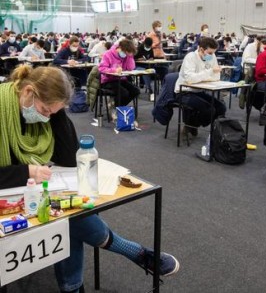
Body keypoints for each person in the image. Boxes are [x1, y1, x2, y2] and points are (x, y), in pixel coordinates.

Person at [0, 64, 179, 293]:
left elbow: (68, 157)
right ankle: (135, 253)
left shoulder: (43, 113)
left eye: (52, 114)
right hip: (9, 196)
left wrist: (56, 113)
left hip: (31, 192)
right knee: (70, 220)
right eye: (45, 110)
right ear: (27, 92)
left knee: (70, 215)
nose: (45, 118)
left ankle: (76, 287)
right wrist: (27, 171)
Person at [175, 37, 226, 137]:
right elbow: (190, 79)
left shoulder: (210, 57)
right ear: (201, 49)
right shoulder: (190, 57)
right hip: (184, 92)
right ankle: (191, 125)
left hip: (199, 90)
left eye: (214, 52)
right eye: (210, 53)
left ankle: (192, 125)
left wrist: (206, 75)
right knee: (209, 110)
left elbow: (216, 76)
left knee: (221, 108)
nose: (212, 55)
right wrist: (209, 73)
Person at [98, 39, 140, 110]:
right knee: (124, 93)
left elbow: (130, 68)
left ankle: (116, 106)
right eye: (126, 53)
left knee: (136, 91)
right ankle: (117, 110)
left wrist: (129, 57)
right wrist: (114, 70)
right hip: (108, 81)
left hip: (121, 79)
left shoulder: (126, 56)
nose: (126, 55)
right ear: (120, 48)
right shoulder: (108, 54)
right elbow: (101, 69)